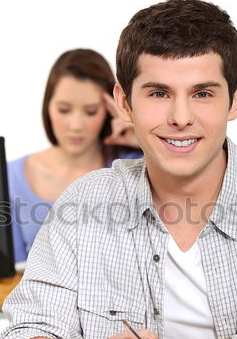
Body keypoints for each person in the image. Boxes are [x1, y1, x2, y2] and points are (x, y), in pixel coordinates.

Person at [0, 0, 237, 339]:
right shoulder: (85, 202)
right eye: (158, 94)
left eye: (202, 94)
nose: (181, 118)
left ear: (234, 100)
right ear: (124, 103)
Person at [9, 48, 142, 263]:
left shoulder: (137, 166)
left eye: (90, 112)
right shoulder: (11, 176)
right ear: (48, 107)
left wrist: (139, 136)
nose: (76, 125)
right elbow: (7, 277)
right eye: (64, 110)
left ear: (111, 109)